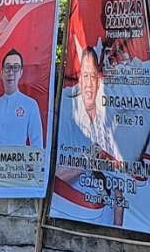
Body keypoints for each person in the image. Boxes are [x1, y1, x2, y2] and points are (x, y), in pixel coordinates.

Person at [54, 48, 126, 225]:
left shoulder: (109, 123)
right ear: (79, 80)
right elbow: (56, 177)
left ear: (98, 81)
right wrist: (87, 162)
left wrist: (117, 227)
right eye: (85, 76)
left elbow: (119, 189)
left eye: (92, 77)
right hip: (72, 216)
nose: (88, 83)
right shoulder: (67, 117)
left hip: (105, 220)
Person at [0, 49, 43, 148]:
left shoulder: (30, 105)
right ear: (1, 73)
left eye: (15, 67)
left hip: (19, 163)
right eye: (7, 67)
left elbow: (37, 144)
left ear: (21, 72)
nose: (11, 72)